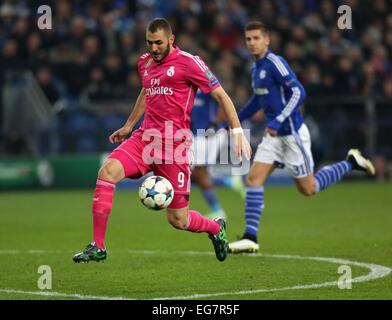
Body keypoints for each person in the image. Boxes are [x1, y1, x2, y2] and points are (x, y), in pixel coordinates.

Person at [72, 18, 251, 263]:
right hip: (144, 140)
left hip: (174, 148)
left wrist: (238, 130)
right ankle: (98, 246)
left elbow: (221, 95)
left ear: (171, 40)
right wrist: (129, 125)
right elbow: (146, 91)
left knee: (178, 220)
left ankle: (214, 228)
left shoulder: (190, 63)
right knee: (107, 172)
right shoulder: (144, 63)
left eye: (158, 43)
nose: (153, 48)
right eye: (149, 43)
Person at [228, 21, 375, 253]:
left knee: (308, 188)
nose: (252, 42)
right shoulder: (255, 68)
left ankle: (351, 162)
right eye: (248, 39)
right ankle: (251, 237)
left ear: (267, 40)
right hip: (273, 136)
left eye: (256, 38)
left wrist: (278, 120)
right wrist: (236, 121)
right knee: (253, 180)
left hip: (292, 134)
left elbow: (299, 91)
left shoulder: (276, 63)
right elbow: (258, 100)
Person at [190, 89, 246, 221]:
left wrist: (216, 122)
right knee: (193, 176)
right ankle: (230, 182)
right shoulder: (189, 86)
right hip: (197, 135)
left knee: (198, 174)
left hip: (208, 135)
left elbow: (223, 100)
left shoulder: (204, 83)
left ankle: (217, 210)